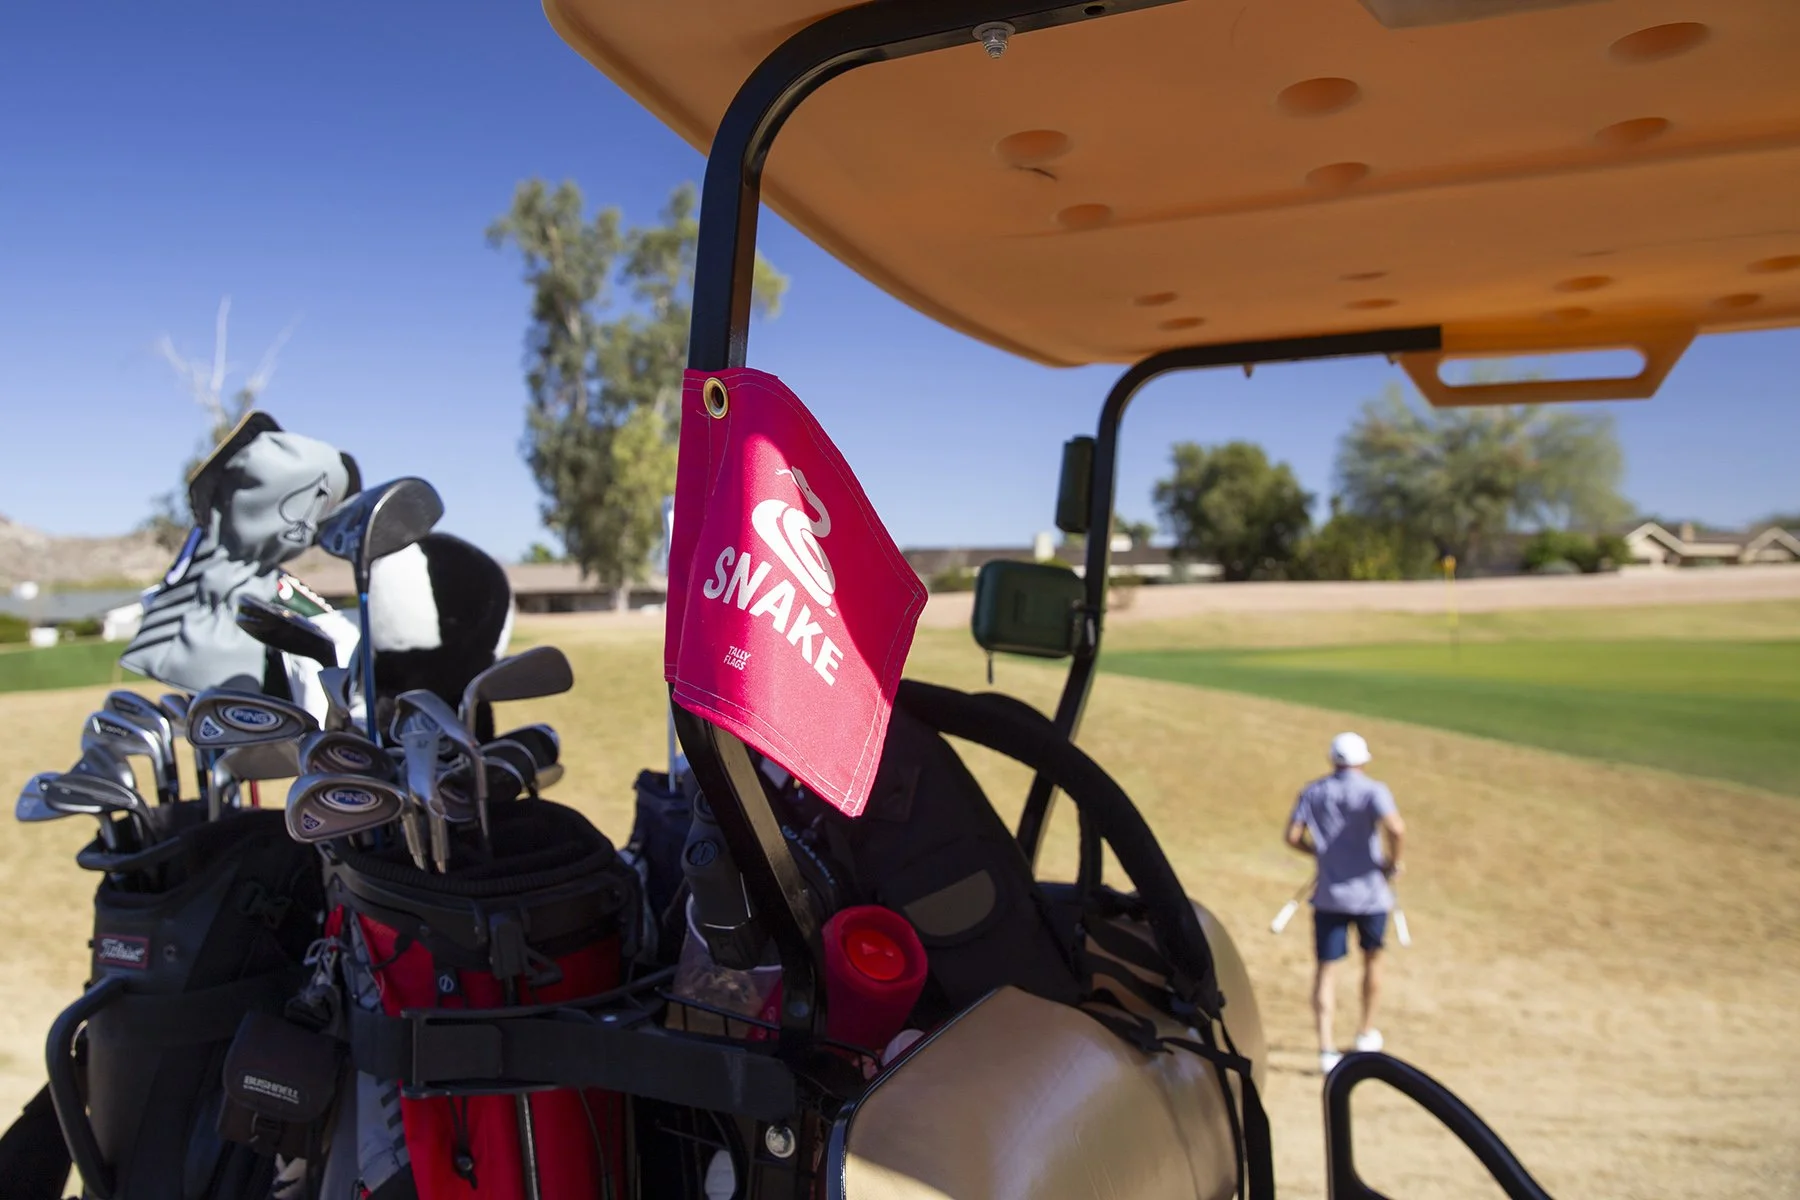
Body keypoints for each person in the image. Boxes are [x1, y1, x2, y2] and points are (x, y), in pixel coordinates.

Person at [1284, 731, 1405, 1074]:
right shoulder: (1373, 791)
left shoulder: (1313, 791)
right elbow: (1396, 828)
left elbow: (1292, 837)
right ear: (1363, 761)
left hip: (1329, 895)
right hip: (1371, 896)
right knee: (1373, 961)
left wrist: (1321, 854)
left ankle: (1325, 1048)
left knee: (1326, 969)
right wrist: (1393, 863)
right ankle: (1365, 1032)